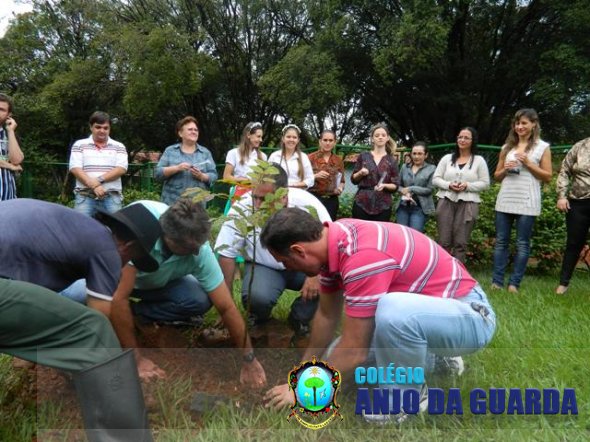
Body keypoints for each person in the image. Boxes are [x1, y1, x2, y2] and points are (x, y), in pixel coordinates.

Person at [260, 208, 496, 424]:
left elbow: (355, 351)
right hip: (435, 314)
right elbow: (326, 316)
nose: (288, 269)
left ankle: (406, 399)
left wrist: (303, 393)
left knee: (392, 311)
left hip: (470, 316)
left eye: (285, 262)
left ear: (298, 250)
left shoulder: (361, 256)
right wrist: (304, 374)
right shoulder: (334, 243)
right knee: (334, 356)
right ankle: (437, 359)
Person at [0, 198, 162, 440]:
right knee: (93, 330)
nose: (126, 266)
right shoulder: (107, 249)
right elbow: (97, 325)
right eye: (130, 260)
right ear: (127, 246)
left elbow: (35, 313)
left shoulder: (74, 231)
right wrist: (123, 385)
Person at [62, 198, 268, 387]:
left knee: (198, 299)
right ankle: (113, 320)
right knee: (77, 298)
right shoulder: (139, 230)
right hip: (113, 279)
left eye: (199, 246)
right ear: (170, 239)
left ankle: (134, 316)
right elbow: (118, 297)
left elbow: (226, 306)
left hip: (157, 284)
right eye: (190, 248)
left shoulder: (199, 248)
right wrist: (137, 360)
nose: (197, 252)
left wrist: (249, 359)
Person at [215, 164, 331, 339]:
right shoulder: (243, 208)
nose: (257, 204)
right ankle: (259, 319)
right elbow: (226, 252)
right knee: (258, 296)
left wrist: (315, 276)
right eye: (255, 196)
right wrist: (226, 303)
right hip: (265, 267)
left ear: (283, 196)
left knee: (332, 280)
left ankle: (300, 318)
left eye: (263, 199)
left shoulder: (307, 204)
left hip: (305, 267)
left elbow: (329, 241)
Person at [491, 109, 552, 293]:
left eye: (524, 123)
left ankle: (514, 284)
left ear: (534, 124)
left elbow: (548, 176)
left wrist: (528, 163)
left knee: (522, 244)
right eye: (517, 123)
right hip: (506, 199)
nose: (520, 127)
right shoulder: (506, 148)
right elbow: (497, 176)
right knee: (501, 241)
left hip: (527, 201)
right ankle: (497, 282)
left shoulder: (542, 147)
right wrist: (505, 170)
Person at [433, 127, 490, 263]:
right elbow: (436, 178)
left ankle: (458, 273)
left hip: (469, 204)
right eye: (460, 137)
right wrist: (448, 185)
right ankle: (443, 270)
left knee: (461, 241)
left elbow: (485, 183)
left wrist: (467, 186)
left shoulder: (479, 160)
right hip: (446, 200)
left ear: (472, 141)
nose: (462, 140)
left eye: (466, 138)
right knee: (444, 240)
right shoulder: (447, 159)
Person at [69, 111, 128, 217]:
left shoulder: (119, 146)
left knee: (115, 231)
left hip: (112, 197)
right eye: (98, 127)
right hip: (84, 196)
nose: (102, 131)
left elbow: (121, 169)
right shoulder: (79, 145)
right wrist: (94, 186)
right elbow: (75, 168)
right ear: (91, 127)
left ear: (110, 129)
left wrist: (97, 180)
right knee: (81, 231)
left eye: (106, 128)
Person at [155, 116, 217, 205]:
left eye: (196, 130)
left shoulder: (205, 153)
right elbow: (157, 174)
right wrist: (177, 168)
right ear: (180, 133)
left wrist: (202, 176)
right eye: (190, 129)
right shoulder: (170, 151)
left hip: (197, 206)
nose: (194, 132)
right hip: (172, 205)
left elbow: (214, 176)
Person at [555, 138, 590, 294]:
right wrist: (562, 195)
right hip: (578, 203)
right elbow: (564, 170)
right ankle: (563, 284)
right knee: (574, 244)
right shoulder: (580, 145)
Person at [350, 123, 400, 221]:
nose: (380, 137)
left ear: (387, 138)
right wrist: (360, 173)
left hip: (383, 205)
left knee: (379, 234)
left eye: (383, 135)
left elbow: (396, 185)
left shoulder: (392, 160)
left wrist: (385, 185)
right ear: (372, 139)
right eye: (377, 135)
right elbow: (353, 180)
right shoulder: (363, 156)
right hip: (362, 202)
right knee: (361, 233)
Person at [395, 142, 436, 232]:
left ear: (426, 155)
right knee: (402, 234)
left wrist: (411, 188)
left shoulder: (431, 168)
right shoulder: (404, 167)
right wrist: (403, 191)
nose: (416, 156)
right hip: (403, 207)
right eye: (414, 153)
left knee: (415, 235)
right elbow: (397, 185)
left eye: (420, 154)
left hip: (420, 208)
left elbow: (429, 190)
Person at [308, 129, 345, 219]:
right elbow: (302, 179)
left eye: (330, 140)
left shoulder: (338, 160)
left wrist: (340, 188)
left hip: (332, 201)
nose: (327, 143)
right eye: (325, 140)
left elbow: (342, 181)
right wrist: (315, 176)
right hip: (314, 198)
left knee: (329, 227)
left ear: (334, 142)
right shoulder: (310, 158)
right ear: (320, 141)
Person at [268, 124, 314, 189]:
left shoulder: (303, 157)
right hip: (277, 193)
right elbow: (267, 176)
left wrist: (294, 185)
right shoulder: (274, 156)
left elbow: (310, 179)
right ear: (283, 139)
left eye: (294, 137)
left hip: (297, 192)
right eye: (288, 137)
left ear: (298, 140)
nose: (291, 139)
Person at [0, 93, 24, 201]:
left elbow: (17, 160)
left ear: (9, 114)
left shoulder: (10, 134)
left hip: (7, 197)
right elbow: (14, 166)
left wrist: (10, 131)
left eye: (2, 109)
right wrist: (10, 167)